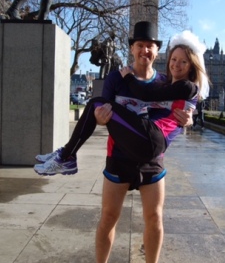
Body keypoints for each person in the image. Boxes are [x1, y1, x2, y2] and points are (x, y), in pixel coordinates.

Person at [34, 21, 202, 263]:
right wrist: (101, 116)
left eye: (150, 46)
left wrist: (191, 117)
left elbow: (181, 107)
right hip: (120, 158)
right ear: (132, 49)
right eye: (139, 45)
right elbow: (102, 109)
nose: (144, 51)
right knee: (108, 219)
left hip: (152, 162)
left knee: (154, 219)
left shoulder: (166, 82)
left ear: (157, 52)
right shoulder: (115, 78)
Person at [34, 30, 208, 174]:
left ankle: (67, 156)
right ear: (132, 48)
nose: (176, 64)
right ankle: (66, 154)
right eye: (174, 59)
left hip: (153, 140)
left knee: (96, 102)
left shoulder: (186, 86)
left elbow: (146, 94)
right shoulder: (169, 85)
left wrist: (129, 77)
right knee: (98, 105)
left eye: (183, 61)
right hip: (137, 143)